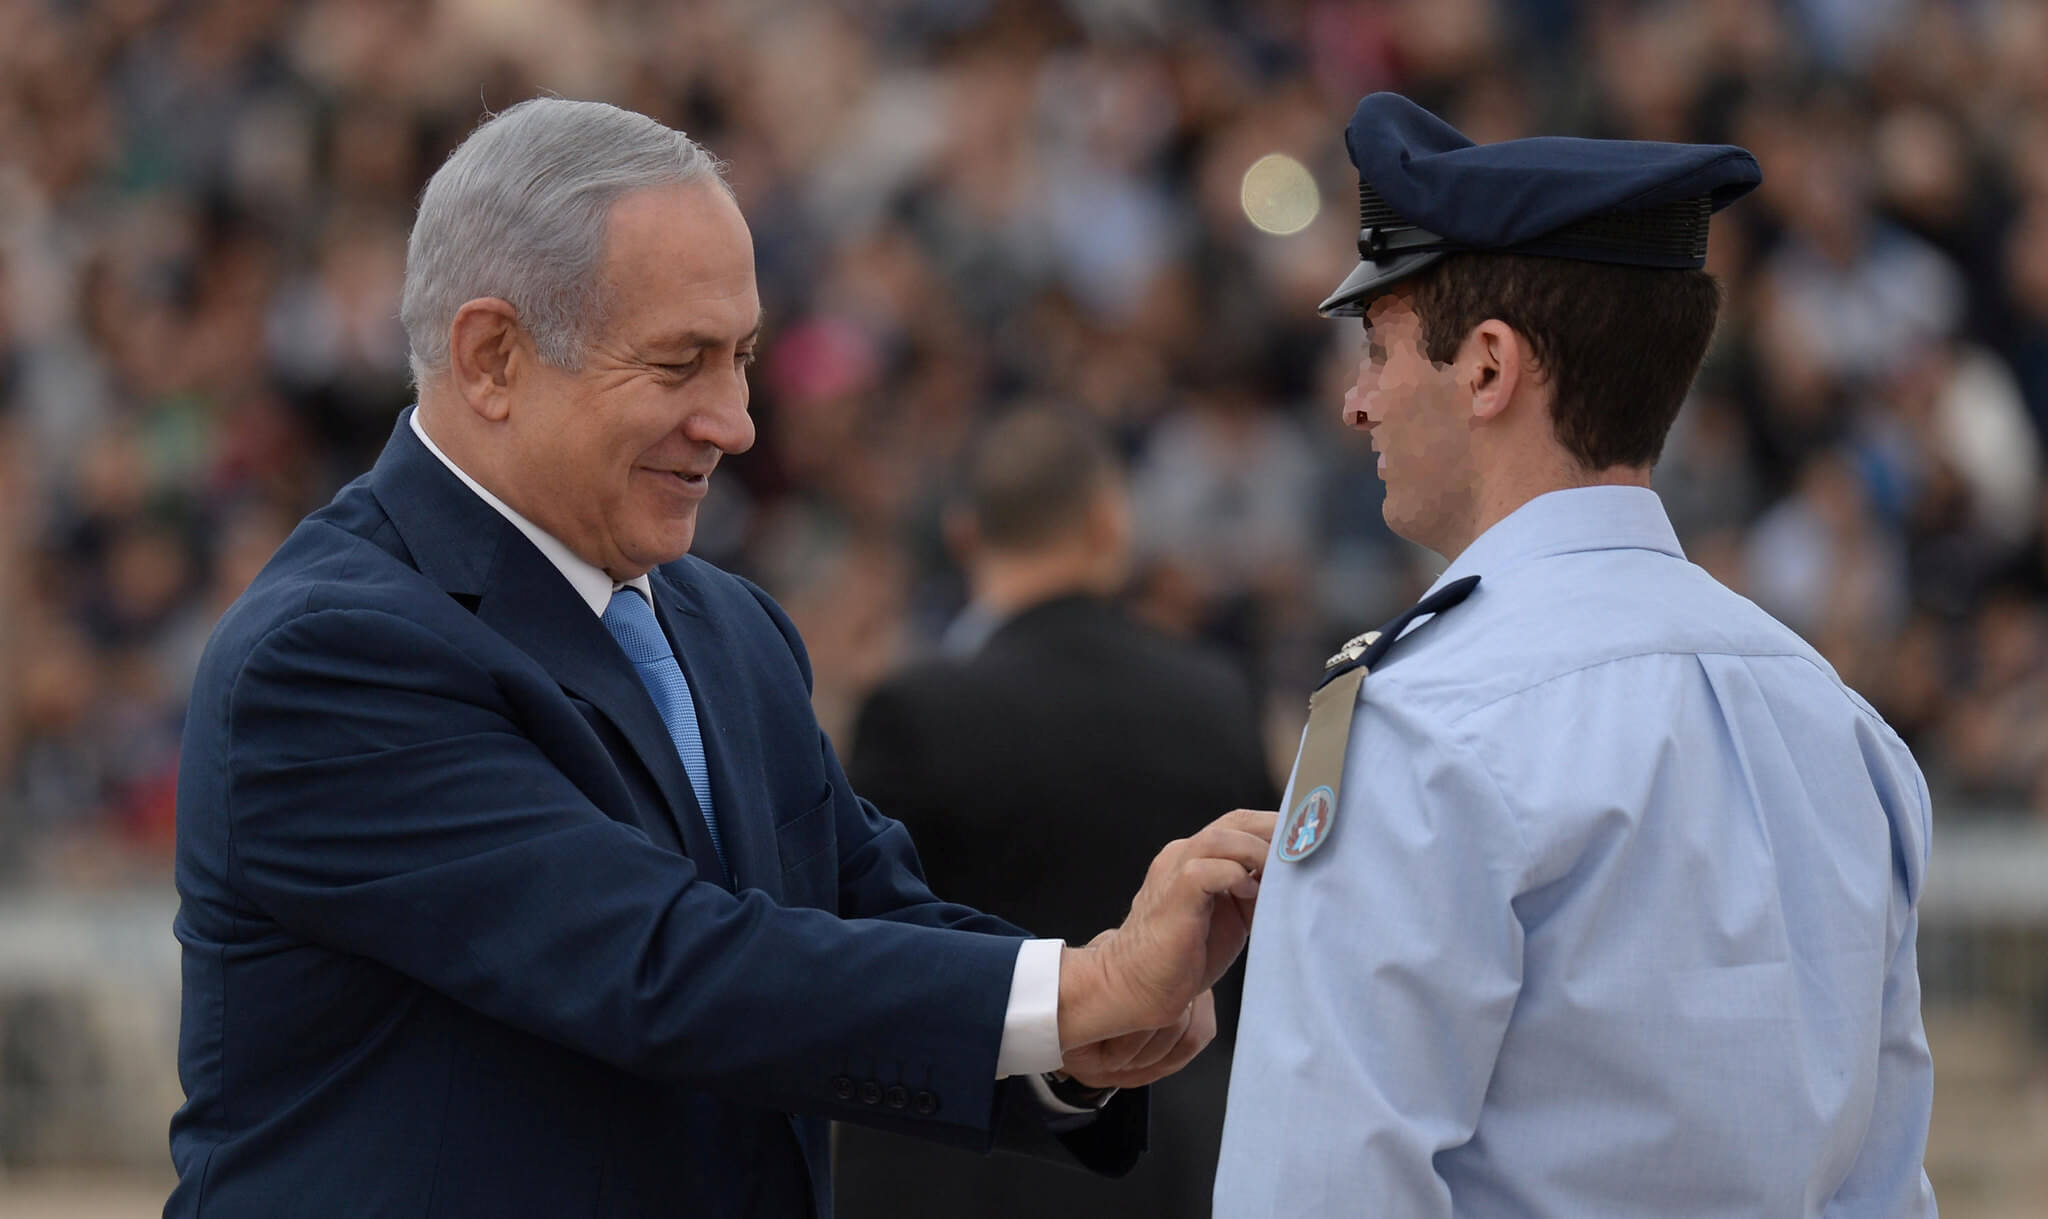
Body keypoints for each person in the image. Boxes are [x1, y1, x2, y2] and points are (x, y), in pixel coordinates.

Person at [167, 98, 1274, 1219]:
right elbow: (660, 963)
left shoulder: (726, 626)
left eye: (740, 358)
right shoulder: (326, 656)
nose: (735, 421)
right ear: (492, 357)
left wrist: (1089, 1031)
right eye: (679, 362)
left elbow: (860, 920)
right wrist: (1080, 986)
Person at [1213, 93, 1936, 1217]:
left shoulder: (1418, 722)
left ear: (1488, 368)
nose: (1356, 403)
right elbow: (1884, 1185)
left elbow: (1317, 1184)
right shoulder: (1836, 724)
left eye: (1379, 347)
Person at [835, 405, 1277, 1219]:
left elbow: (868, 946)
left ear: (966, 533)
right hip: (1166, 1154)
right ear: (1111, 523)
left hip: (963, 1165)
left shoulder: (917, 708)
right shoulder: (1215, 694)